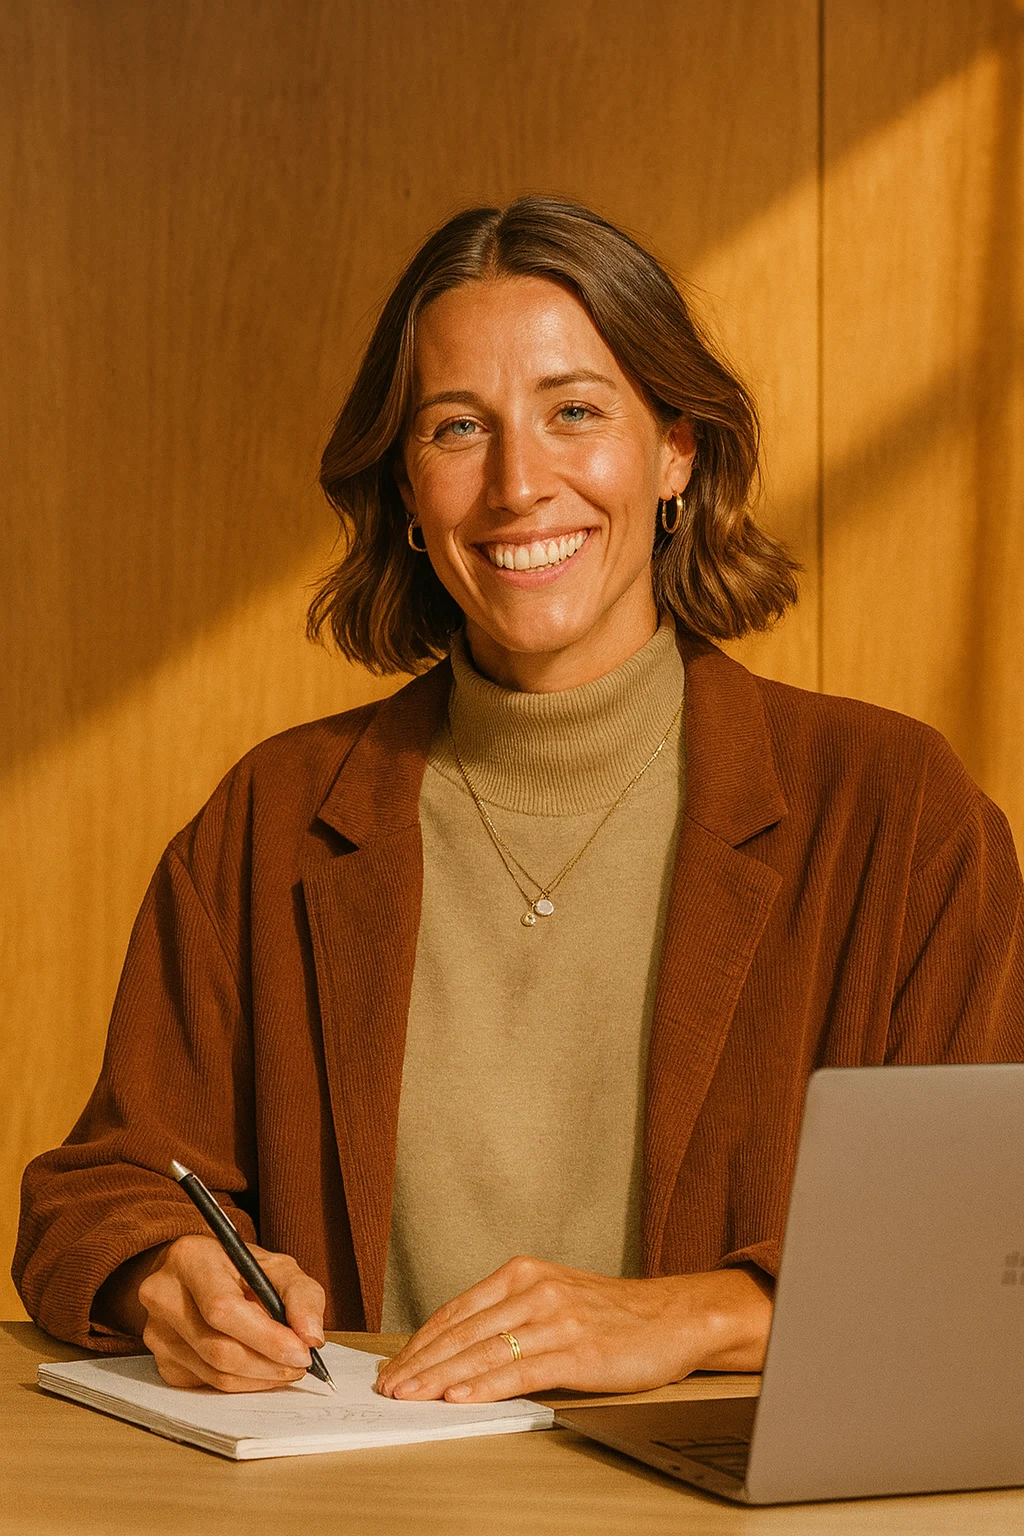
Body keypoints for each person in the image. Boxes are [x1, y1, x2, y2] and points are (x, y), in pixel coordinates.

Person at [14, 198, 1023, 1405]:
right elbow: (100, 1189)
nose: (515, 484)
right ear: (404, 489)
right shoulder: (269, 818)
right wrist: (163, 1278)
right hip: (359, 1512)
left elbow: (985, 1245)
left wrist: (694, 1314)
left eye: (575, 412)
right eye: (456, 429)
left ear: (676, 453)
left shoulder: (897, 810)